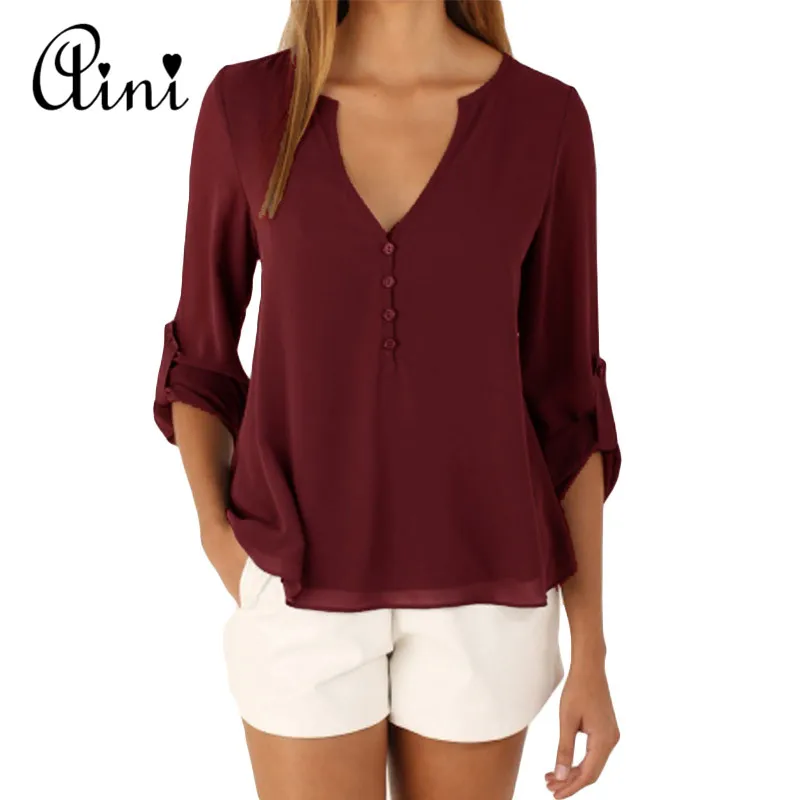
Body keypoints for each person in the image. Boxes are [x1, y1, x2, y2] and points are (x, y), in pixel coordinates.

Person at [152, 2, 622, 798]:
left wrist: (592, 652)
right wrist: (217, 538)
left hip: (487, 590)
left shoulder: (546, 119)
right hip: (295, 580)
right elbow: (200, 355)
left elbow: (568, 404)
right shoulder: (248, 106)